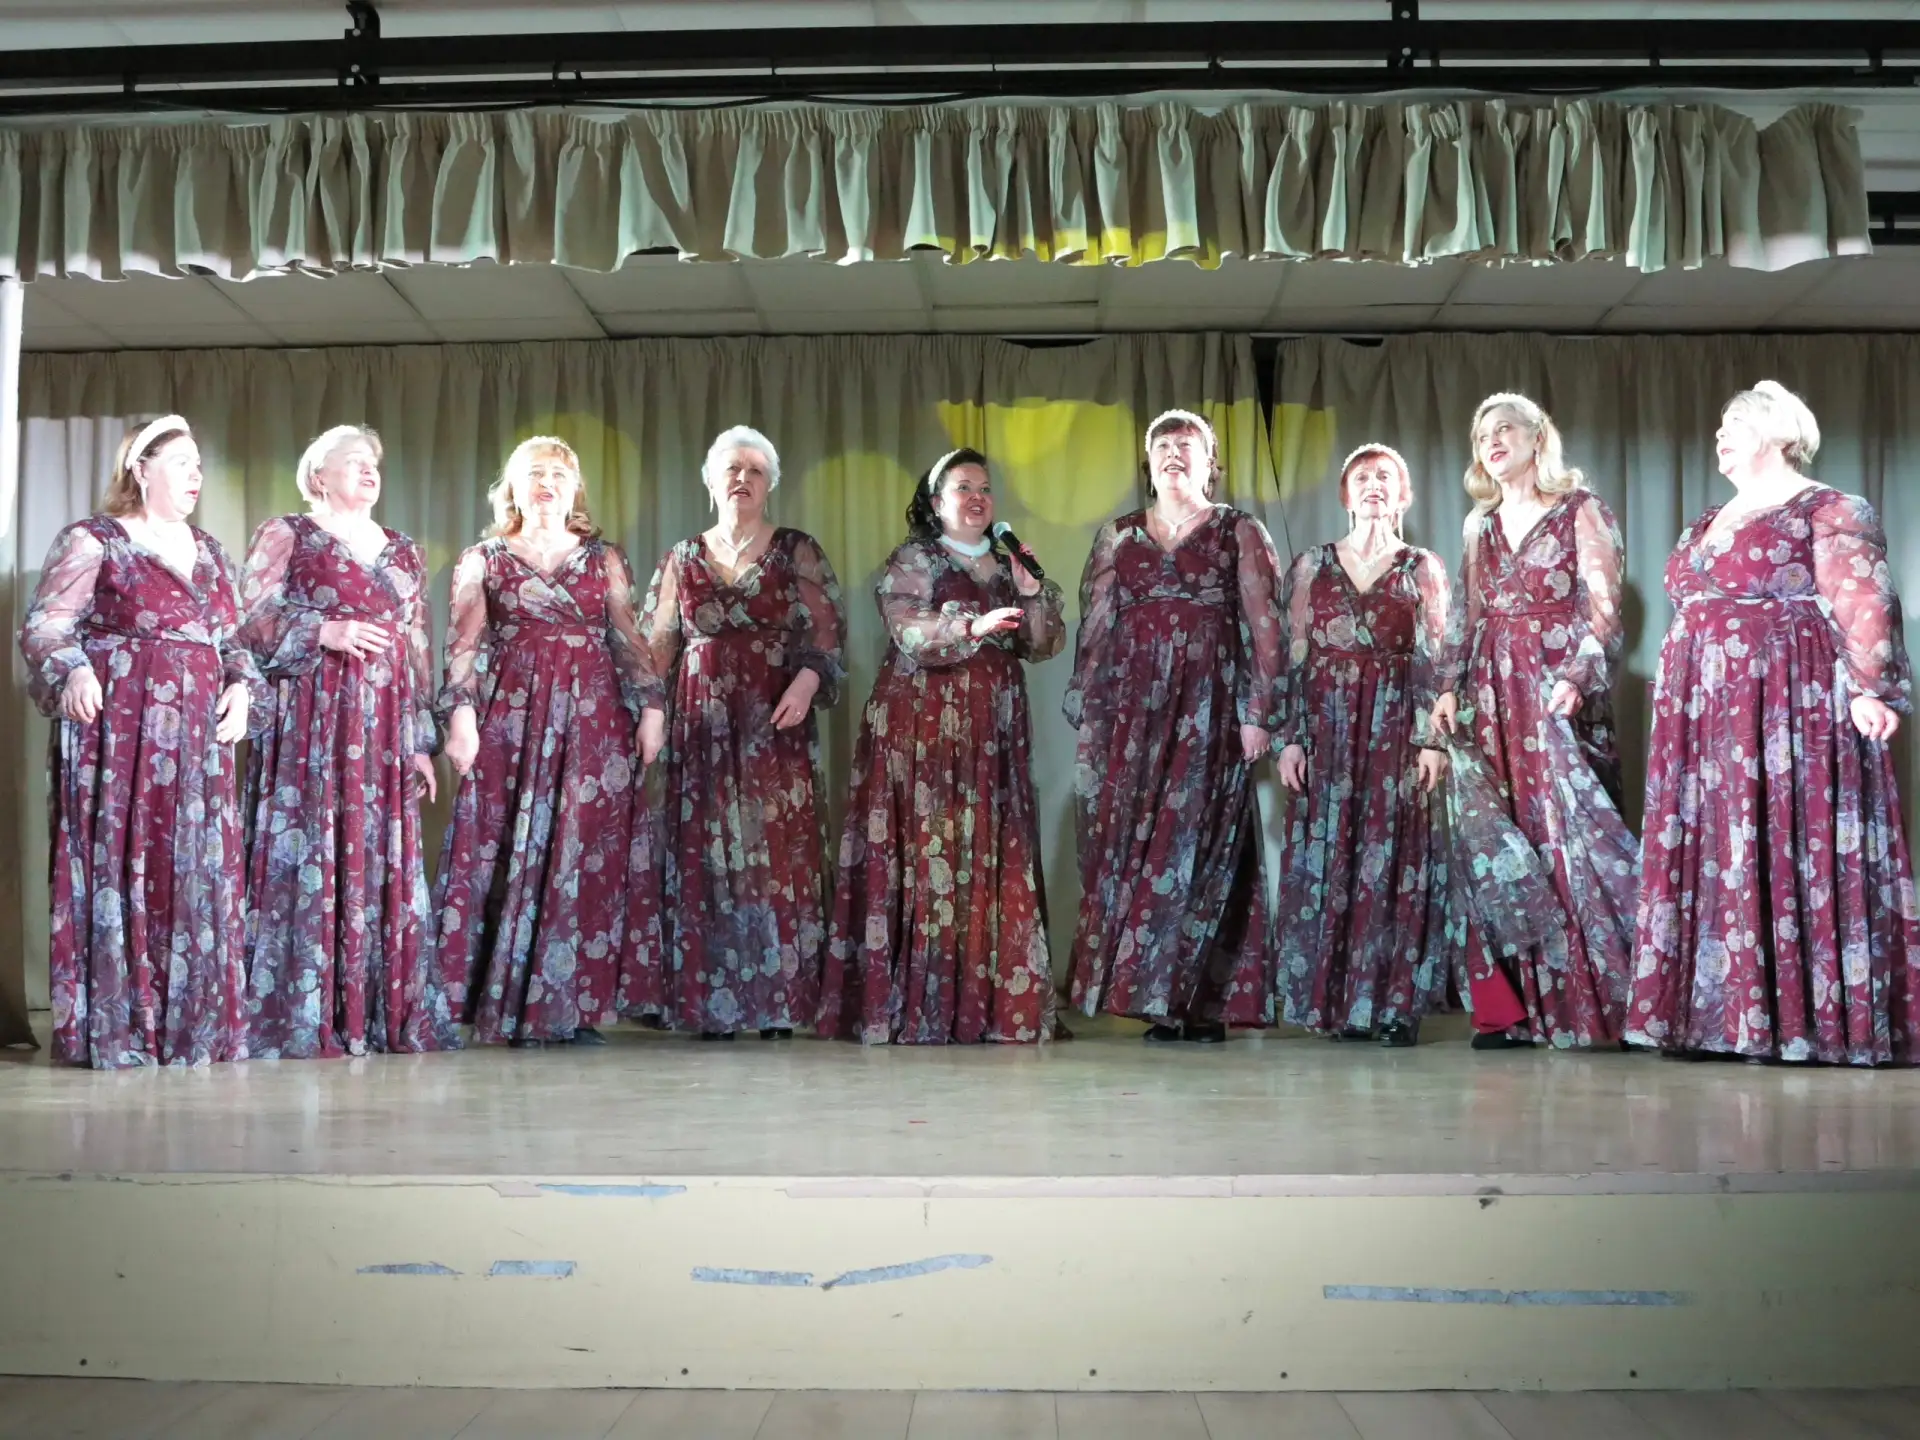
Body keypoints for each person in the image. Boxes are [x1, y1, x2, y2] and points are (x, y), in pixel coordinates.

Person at [1630, 381, 1918, 1065]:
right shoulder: (1709, 519)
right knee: (1718, 843)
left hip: (1789, 703)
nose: (1719, 435)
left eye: (1735, 423)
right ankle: (1716, 1020)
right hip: (1702, 715)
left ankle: (1795, 1022)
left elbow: (1863, 596)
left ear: (1781, 434)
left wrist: (1870, 689)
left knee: (1782, 834)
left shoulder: (1827, 508)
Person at [18, 416, 263, 1068]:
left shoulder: (209, 551)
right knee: (122, 863)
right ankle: (121, 1026)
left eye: (199, 465)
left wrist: (242, 687)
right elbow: (46, 625)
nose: (195, 475)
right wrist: (73, 669)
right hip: (120, 736)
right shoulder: (94, 540)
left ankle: (192, 1027)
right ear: (140, 467)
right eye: (181, 462)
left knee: (194, 867)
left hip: (197, 739)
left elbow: (235, 640)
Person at [816, 448, 1064, 1044]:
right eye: (962, 487)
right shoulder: (914, 559)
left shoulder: (1009, 564)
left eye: (984, 488)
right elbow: (907, 628)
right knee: (927, 851)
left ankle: (988, 1009)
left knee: (990, 851)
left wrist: (1032, 591)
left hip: (993, 732)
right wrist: (971, 627)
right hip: (920, 729)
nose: (977, 497)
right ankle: (916, 1006)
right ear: (936, 502)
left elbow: (1042, 644)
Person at [1064, 410, 1283, 1043]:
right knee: (1142, 849)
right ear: (1148, 460)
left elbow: (1264, 625)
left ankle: (1199, 1003)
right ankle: (1155, 999)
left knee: (1202, 846)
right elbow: (1097, 627)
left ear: (1210, 461)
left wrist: (1258, 712)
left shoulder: (1238, 529)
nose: (1173, 454)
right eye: (1162, 444)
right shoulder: (1119, 536)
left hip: (1211, 707)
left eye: (1187, 444)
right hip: (1134, 713)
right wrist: (1093, 710)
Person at [238, 425, 456, 1059]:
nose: (368, 470)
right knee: (308, 846)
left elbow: (417, 648)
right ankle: (298, 1010)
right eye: (353, 461)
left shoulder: (404, 551)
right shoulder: (288, 533)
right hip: (309, 722)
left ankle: (373, 1010)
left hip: (384, 728)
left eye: (373, 463)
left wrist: (419, 741)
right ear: (317, 476)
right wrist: (322, 631)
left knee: (376, 852)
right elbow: (247, 620)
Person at [1430, 393, 1638, 1051]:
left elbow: (1603, 610)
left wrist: (1577, 676)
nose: (1493, 441)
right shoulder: (1480, 525)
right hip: (1490, 697)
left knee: (1568, 840)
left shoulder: (1581, 509)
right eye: (1482, 434)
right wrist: (1446, 686)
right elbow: (1464, 616)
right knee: (1495, 844)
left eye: (1505, 429)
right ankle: (1508, 1012)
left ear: (1537, 437)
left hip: (1556, 691)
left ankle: (1595, 1007)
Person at [627, 426, 844, 1040]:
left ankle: (778, 1003)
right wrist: (651, 714)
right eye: (731, 468)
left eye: (754, 470)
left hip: (774, 717)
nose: (742, 478)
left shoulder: (797, 549)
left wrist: (806, 683)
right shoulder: (682, 556)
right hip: (701, 724)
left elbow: (827, 630)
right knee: (705, 855)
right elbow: (656, 645)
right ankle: (709, 1005)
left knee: (777, 854)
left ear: (770, 484)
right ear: (710, 481)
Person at [433, 436, 649, 1047]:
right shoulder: (484, 558)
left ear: (574, 487)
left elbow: (628, 637)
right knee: (505, 846)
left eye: (557, 473)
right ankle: (501, 1004)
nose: (546, 483)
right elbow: (464, 645)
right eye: (534, 473)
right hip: (512, 717)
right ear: (512, 487)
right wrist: (461, 718)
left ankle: (570, 1007)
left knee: (584, 851)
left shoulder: (605, 559)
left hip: (594, 721)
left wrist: (653, 708)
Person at [1275, 443, 1453, 1046]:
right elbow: (1293, 657)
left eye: (1386, 477)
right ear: (1345, 494)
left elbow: (1437, 658)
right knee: (1329, 856)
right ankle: (1335, 1003)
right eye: (1362, 477)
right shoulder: (1311, 566)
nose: (1374, 485)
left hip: (1396, 725)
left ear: (1404, 496)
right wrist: (1290, 739)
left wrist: (1432, 741)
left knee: (1395, 858)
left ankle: (1393, 1005)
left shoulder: (1422, 566)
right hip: (1326, 727)